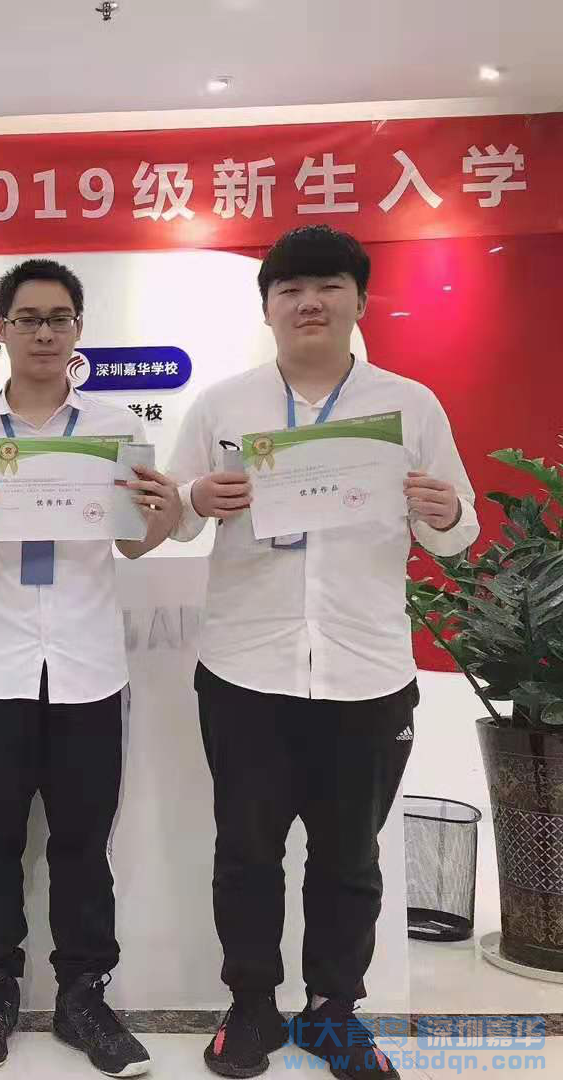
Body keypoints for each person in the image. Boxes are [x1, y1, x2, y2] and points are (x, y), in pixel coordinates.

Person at [167, 225, 479, 1080]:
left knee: (350, 861)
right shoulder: (224, 406)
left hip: (365, 670)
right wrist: (195, 495)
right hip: (246, 668)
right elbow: (174, 518)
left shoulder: (410, 406)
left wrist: (446, 512)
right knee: (246, 853)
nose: (310, 302)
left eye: (329, 286)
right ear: (267, 307)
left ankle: (334, 1013)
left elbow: (456, 533)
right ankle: (251, 1006)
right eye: (291, 289)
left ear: (359, 300)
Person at [0, 259, 181, 1077]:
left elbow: (134, 543)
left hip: (87, 664)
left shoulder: (115, 428)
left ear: (78, 329)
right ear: (0, 330)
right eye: (28, 318)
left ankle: (85, 996)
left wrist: (162, 513)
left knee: (84, 842)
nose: (44, 333)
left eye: (59, 319)